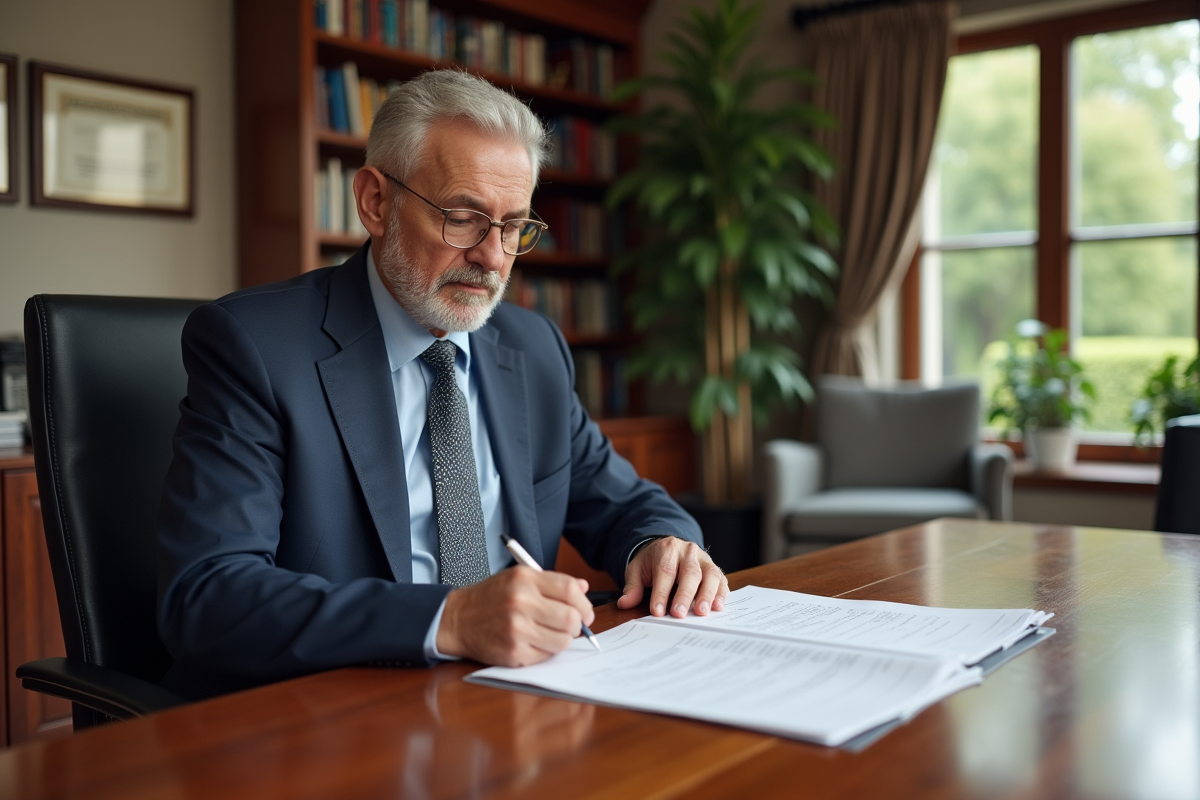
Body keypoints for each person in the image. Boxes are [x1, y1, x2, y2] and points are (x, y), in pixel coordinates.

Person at [156, 69, 729, 700]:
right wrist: (449, 620)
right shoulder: (256, 347)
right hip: (331, 713)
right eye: (464, 219)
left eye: (514, 227)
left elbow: (625, 502)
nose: (492, 256)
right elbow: (208, 594)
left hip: (516, 700)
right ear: (376, 202)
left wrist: (661, 546)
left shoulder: (532, 349)